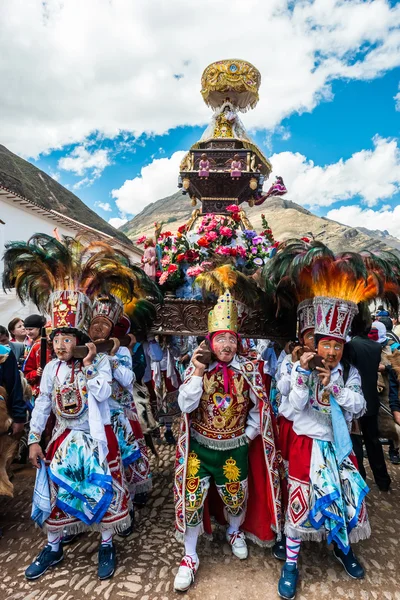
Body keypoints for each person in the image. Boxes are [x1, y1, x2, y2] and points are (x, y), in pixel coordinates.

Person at [173, 291, 283, 592]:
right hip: (199, 448)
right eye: (221, 339)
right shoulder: (196, 368)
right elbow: (185, 406)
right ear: (210, 341)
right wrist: (197, 370)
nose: (227, 345)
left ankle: (235, 532)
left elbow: (260, 409)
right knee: (192, 501)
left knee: (236, 499)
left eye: (232, 339)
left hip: (234, 449)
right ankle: (190, 556)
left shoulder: (248, 371)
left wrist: (246, 437)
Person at [25, 289, 132, 581]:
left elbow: (104, 392)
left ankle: (107, 544)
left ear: (80, 341)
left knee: (104, 492)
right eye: (56, 340)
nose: (60, 346)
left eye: (67, 340)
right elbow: (44, 403)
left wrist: (87, 365)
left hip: (97, 438)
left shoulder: (100, 363)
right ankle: (53, 545)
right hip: (64, 438)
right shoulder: (50, 369)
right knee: (57, 494)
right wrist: (34, 439)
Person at [278, 289, 371, 598]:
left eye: (337, 345)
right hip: (308, 446)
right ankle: (291, 563)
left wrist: (335, 387)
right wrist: (303, 375)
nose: (331, 352)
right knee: (300, 504)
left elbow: (358, 405)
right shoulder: (298, 367)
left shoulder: (349, 373)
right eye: (326, 344)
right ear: (315, 345)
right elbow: (295, 404)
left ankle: (342, 548)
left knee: (346, 502)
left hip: (339, 448)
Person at [88, 297, 151, 514]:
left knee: (123, 461)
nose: (98, 328)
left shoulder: (121, 351)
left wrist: (112, 357)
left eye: (104, 324)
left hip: (118, 414)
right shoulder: (84, 351)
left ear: (111, 328)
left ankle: (128, 504)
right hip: (94, 417)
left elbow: (127, 380)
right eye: (94, 323)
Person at [346, 309, 392, 490]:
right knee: (373, 442)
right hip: (371, 402)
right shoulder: (375, 347)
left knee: (356, 442)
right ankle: (383, 480)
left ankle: (360, 481)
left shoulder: (350, 347)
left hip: (355, 403)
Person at [23, 314, 50, 400]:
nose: (28, 332)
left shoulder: (39, 345)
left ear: (40, 329)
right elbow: (28, 371)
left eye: (31, 329)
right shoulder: (32, 345)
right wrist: (36, 373)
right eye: (26, 329)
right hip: (39, 385)